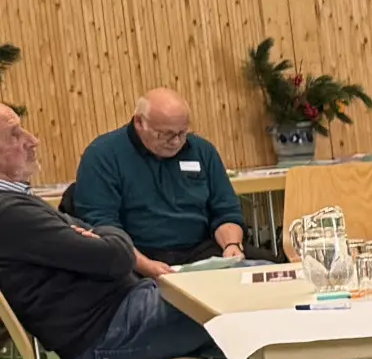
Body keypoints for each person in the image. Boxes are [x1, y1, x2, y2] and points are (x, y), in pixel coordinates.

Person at [0, 103, 364, 359]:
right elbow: (114, 252)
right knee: (257, 295)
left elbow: (100, 239)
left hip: (122, 310)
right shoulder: (10, 211)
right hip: (106, 333)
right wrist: (105, 239)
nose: (32, 140)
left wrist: (101, 238)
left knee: (254, 295)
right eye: (16, 135)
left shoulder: (18, 203)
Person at [70, 89, 246, 261]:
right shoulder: (103, 154)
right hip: (136, 256)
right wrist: (147, 267)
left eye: (182, 133)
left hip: (201, 251)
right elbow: (103, 228)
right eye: (166, 134)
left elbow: (226, 211)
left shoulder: (202, 151)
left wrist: (232, 245)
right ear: (139, 122)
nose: (176, 142)